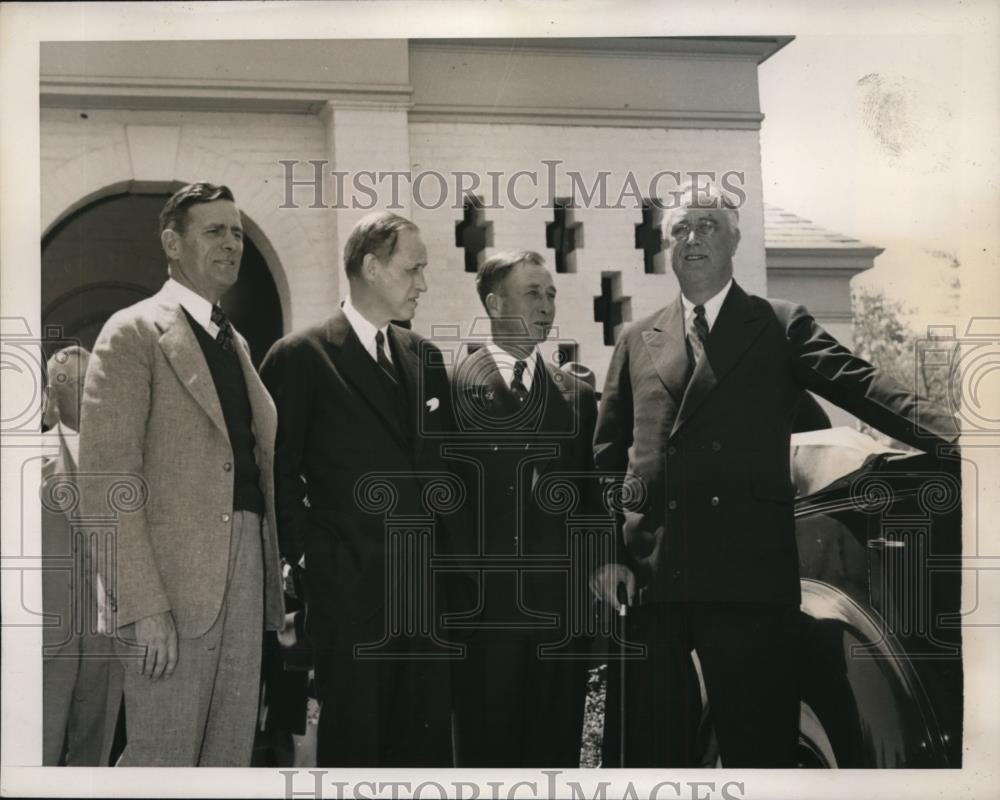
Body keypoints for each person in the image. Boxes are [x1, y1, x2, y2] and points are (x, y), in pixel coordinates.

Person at [590, 184, 959, 768]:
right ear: (666, 247)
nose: (693, 240)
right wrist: (607, 554)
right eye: (680, 230)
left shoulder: (777, 324)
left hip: (748, 583)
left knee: (756, 751)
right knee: (653, 753)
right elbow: (609, 456)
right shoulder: (637, 338)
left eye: (708, 226)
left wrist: (960, 437)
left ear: (735, 240)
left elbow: (861, 384)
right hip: (654, 578)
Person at [79, 182, 284, 766]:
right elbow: (107, 484)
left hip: (243, 578)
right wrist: (143, 608)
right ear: (173, 243)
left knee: (227, 763)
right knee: (161, 761)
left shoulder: (235, 342)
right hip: (168, 592)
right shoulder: (134, 331)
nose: (232, 244)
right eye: (214, 231)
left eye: (238, 233)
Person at [260, 211, 461, 767]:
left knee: (423, 756)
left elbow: (443, 472)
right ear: (371, 267)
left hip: (424, 599)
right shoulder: (300, 356)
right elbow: (275, 470)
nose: (422, 283)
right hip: (350, 600)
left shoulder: (425, 357)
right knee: (357, 751)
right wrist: (313, 557)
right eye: (412, 269)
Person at [449, 250, 598, 767]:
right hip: (482, 623)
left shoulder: (578, 396)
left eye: (551, 293)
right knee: (487, 767)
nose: (546, 304)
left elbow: (590, 505)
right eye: (532, 293)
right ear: (494, 303)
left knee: (554, 763)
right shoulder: (448, 390)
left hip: (559, 624)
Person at [41, 346, 123, 765]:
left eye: (91, 379)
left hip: (108, 638)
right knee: (39, 755)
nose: (85, 389)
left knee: (95, 761)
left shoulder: (125, 460)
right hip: (48, 638)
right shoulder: (23, 462)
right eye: (71, 382)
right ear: (51, 396)